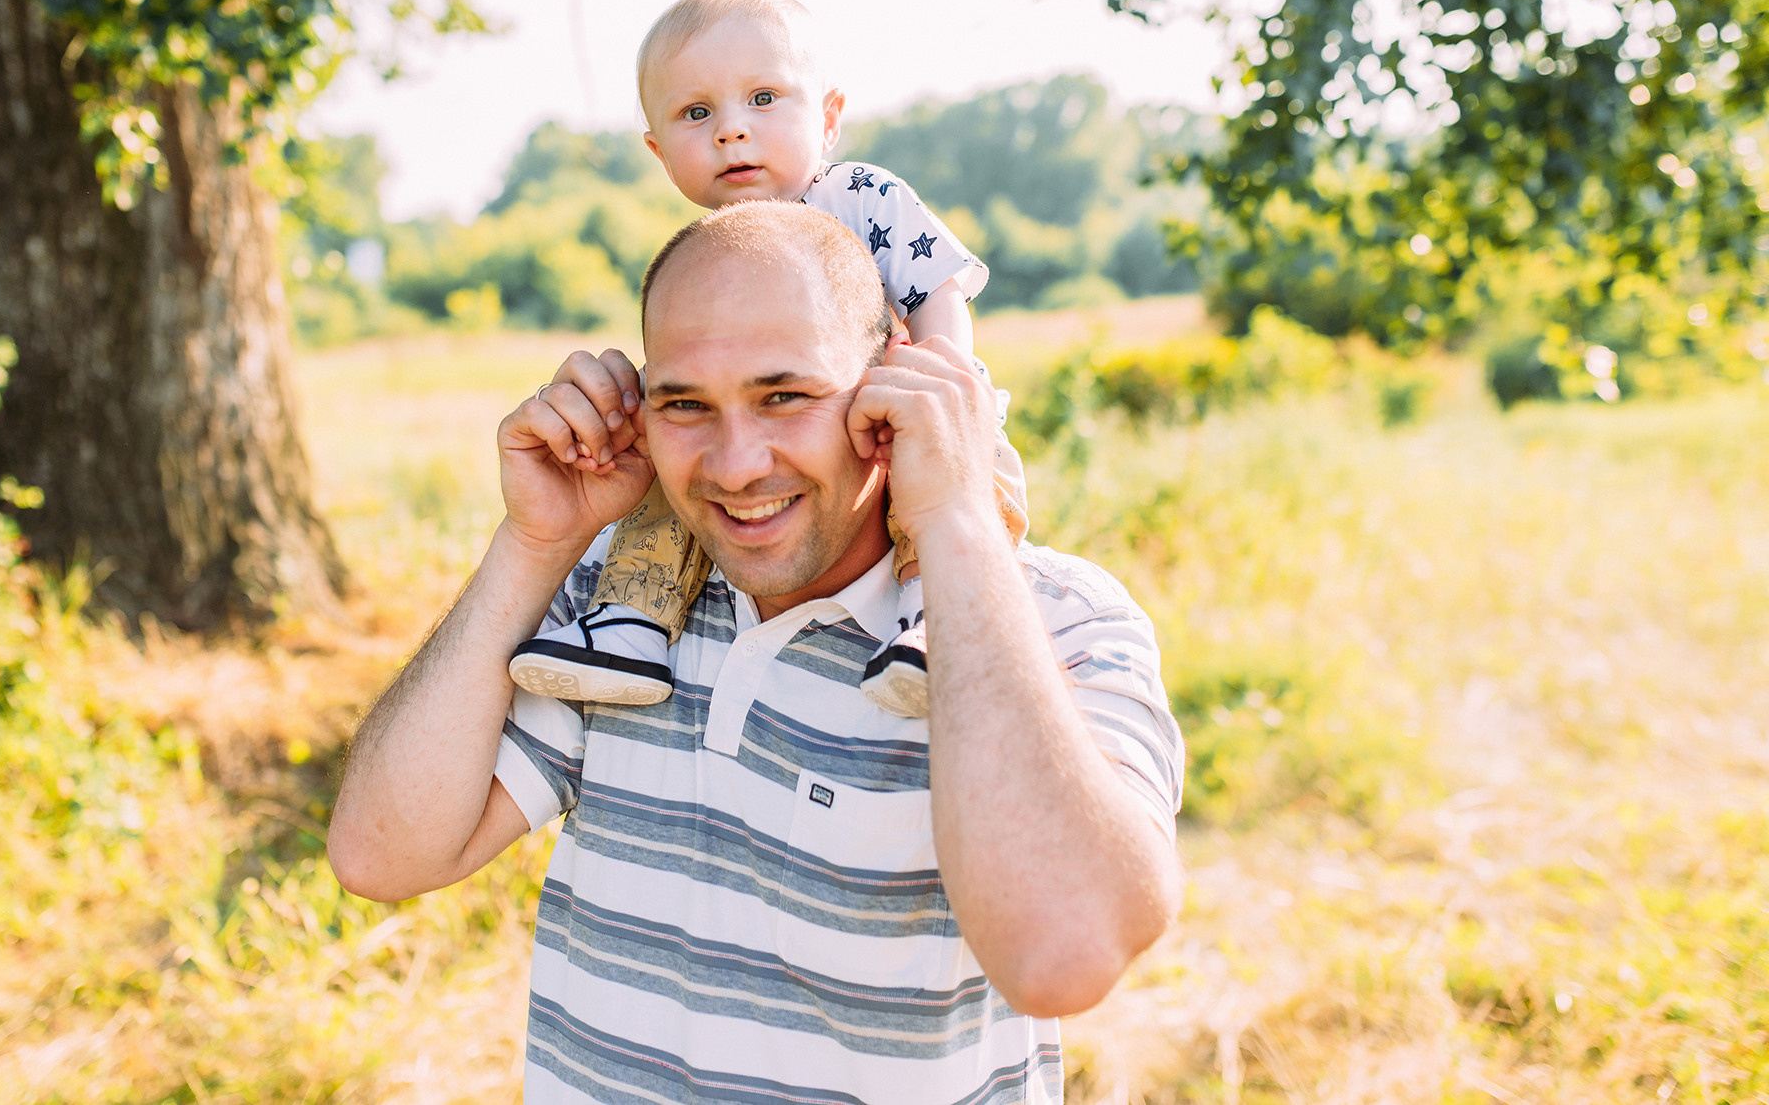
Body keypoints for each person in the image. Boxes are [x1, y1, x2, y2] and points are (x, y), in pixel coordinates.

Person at [328, 202, 1185, 1104]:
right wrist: (535, 541)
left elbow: (1067, 954)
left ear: (893, 384)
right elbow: (382, 855)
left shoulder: (1056, 623)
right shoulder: (622, 615)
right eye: (686, 405)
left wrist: (958, 516)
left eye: (785, 395)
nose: (736, 465)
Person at [506, 0, 1029, 719]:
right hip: (789, 437)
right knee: (672, 469)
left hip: (898, 398)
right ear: (659, 150)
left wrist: (940, 368)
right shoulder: (706, 248)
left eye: (763, 99)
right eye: (696, 113)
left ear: (829, 116)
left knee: (945, 488)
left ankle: (940, 615)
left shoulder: (858, 198)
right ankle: (633, 616)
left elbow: (938, 283)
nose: (730, 131)